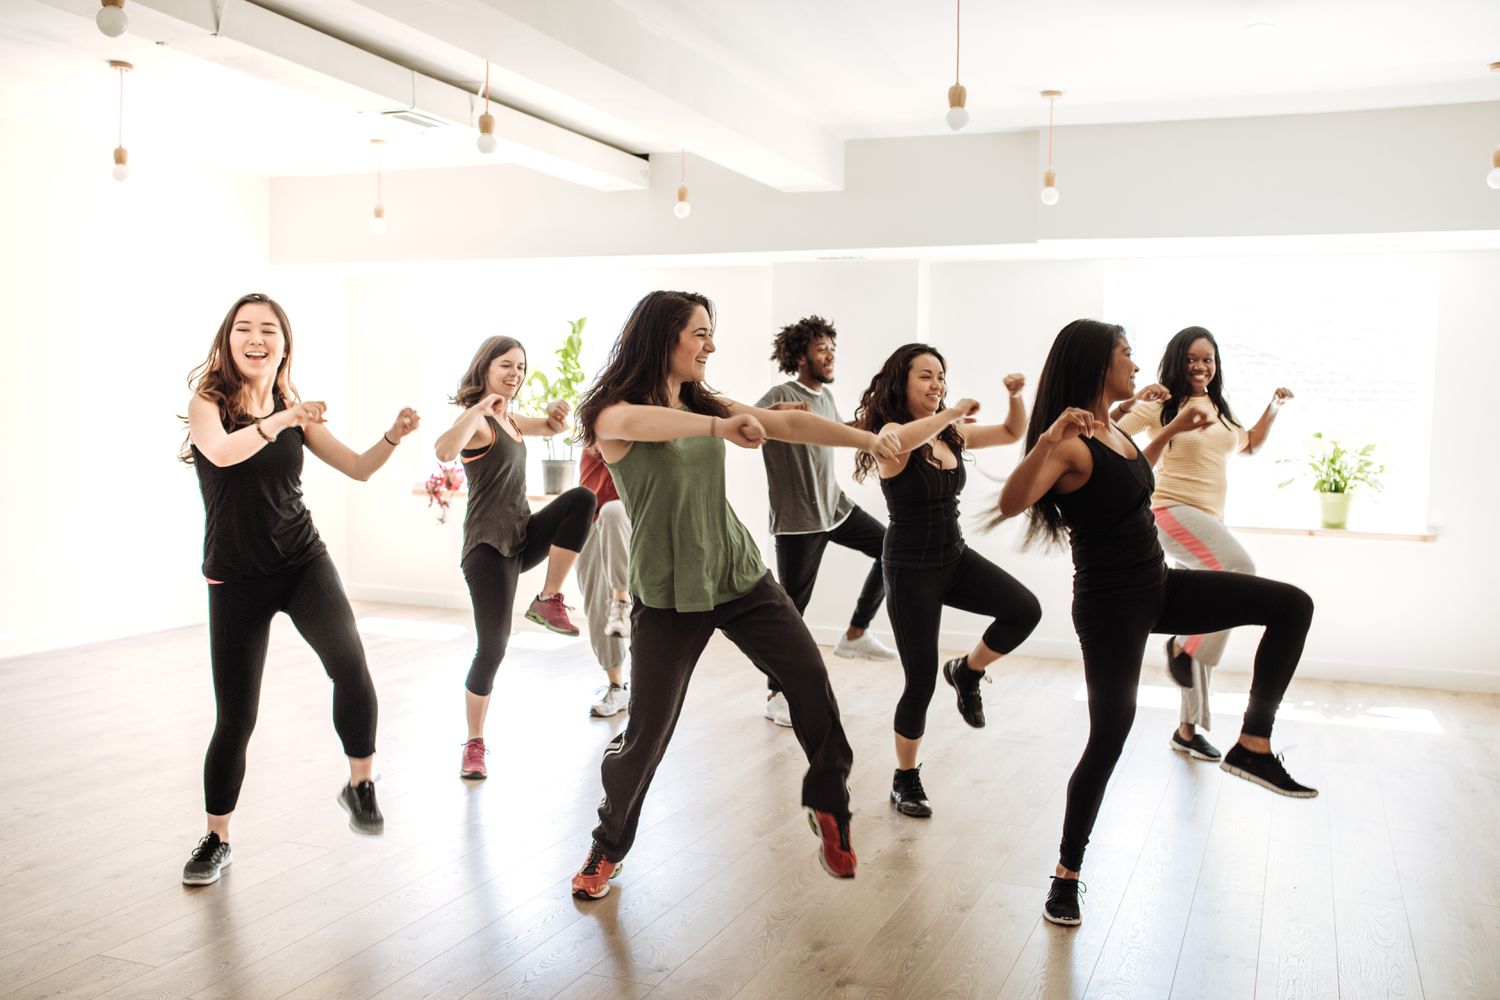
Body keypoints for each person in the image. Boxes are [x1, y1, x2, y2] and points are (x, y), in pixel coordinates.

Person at [568, 290, 902, 899]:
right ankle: (607, 845)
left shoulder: (701, 399)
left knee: (808, 680)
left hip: (737, 571)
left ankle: (829, 807)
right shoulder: (612, 414)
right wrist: (721, 425)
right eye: (700, 333)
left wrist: (866, 441)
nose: (711, 345)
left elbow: (788, 422)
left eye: (710, 332)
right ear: (663, 337)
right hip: (669, 589)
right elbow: (638, 425)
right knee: (647, 734)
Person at [996, 319, 1317, 928]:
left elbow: (1129, 481)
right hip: (1111, 606)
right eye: (1128, 355)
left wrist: (1167, 427)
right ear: (1098, 363)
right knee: (1109, 736)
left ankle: (1253, 743)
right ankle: (1067, 875)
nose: (1138, 366)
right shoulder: (1067, 442)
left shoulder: (1115, 427)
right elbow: (1013, 503)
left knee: (1290, 605)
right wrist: (1045, 439)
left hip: (1160, 588)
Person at [179, 292, 420, 885]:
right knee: (236, 717)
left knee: (350, 664)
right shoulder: (207, 403)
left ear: (284, 344)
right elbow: (222, 452)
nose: (256, 338)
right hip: (235, 576)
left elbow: (358, 467)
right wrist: (284, 420)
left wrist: (391, 436)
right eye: (244, 329)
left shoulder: (291, 405)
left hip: (301, 561)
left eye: (268, 330)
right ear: (228, 340)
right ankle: (216, 838)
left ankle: (361, 783)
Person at [853, 344, 1041, 819]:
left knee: (1024, 609)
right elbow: (905, 440)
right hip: (911, 570)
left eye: (941, 376)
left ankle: (968, 671)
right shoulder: (892, 434)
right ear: (902, 383)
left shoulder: (951, 434)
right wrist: (952, 412)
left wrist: (1016, 396)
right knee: (919, 681)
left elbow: (1013, 431)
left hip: (954, 558)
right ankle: (905, 778)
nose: (937, 385)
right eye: (925, 377)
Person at [1113, 325, 1294, 762]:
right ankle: (1182, 646)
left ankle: (1187, 730)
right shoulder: (1163, 404)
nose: (1201, 366)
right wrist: (1135, 401)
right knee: (1240, 571)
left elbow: (1247, 444)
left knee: (1206, 614)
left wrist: (1273, 407)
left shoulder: (1218, 407)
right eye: (1192, 359)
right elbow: (1112, 432)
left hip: (1207, 518)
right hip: (1170, 511)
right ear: (1177, 360)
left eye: (1208, 359)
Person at [435, 337, 597, 780]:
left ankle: (550, 596)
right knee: (493, 647)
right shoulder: (481, 422)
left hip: (521, 535)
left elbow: (549, 427)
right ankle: (474, 743)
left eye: (521, 367)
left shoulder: (509, 420)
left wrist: (556, 418)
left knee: (582, 498)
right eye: (506, 365)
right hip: (488, 549)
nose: (516, 373)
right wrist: (476, 409)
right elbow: (445, 451)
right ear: (484, 367)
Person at [755, 314, 896, 729]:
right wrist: (773, 414)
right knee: (791, 610)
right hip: (799, 520)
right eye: (822, 349)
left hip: (834, 508)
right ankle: (776, 693)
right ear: (801, 356)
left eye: (833, 349)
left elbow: (836, 431)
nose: (830, 355)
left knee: (892, 547)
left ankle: (855, 633)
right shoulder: (781, 392)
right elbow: (749, 426)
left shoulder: (824, 398)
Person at [577, 445, 632, 717]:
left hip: (630, 515)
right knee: (597, 607)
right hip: (589, 519)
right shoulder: (596, 418)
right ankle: (616, 686)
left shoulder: (645, 413)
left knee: (614, 511)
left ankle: (622, 600)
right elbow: (601, 444)